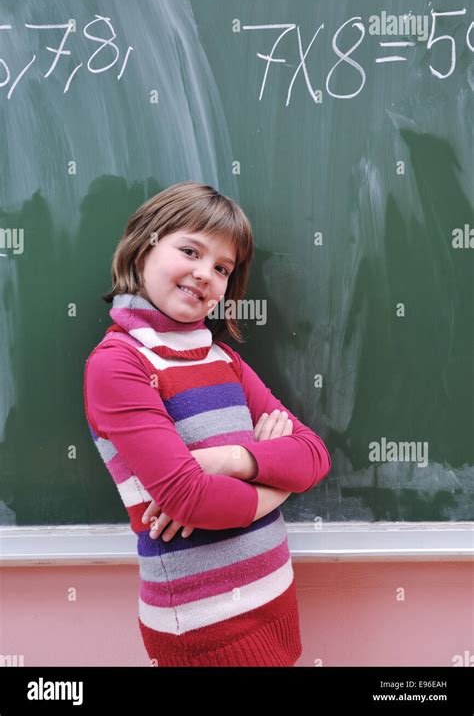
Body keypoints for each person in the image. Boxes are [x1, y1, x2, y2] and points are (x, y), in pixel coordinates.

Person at [83, 180, 331, 666]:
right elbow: (189, 498)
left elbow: (314, 454)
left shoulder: (224, 360)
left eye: (222, 268)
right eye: (190, 250)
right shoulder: (119, 364)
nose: (204, 274)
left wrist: (230, 459)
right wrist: (279, 485)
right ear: (144, 245)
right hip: (204, 628)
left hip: (274, 600)